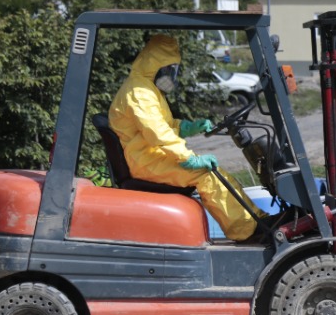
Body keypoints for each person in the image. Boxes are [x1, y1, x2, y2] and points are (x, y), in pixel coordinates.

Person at [108, 34, 265, 242]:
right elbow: (157, 133)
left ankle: (256, 220)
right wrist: (188, 158)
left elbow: (163, 125)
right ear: (156, 66)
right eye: (169, 70)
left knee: (214, 171)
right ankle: (247, 231)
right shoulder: (139, 92)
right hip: (144, 162)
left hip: (149, 157)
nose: (171, 76)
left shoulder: (146, 88)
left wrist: (188, 127)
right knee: (206, 174)